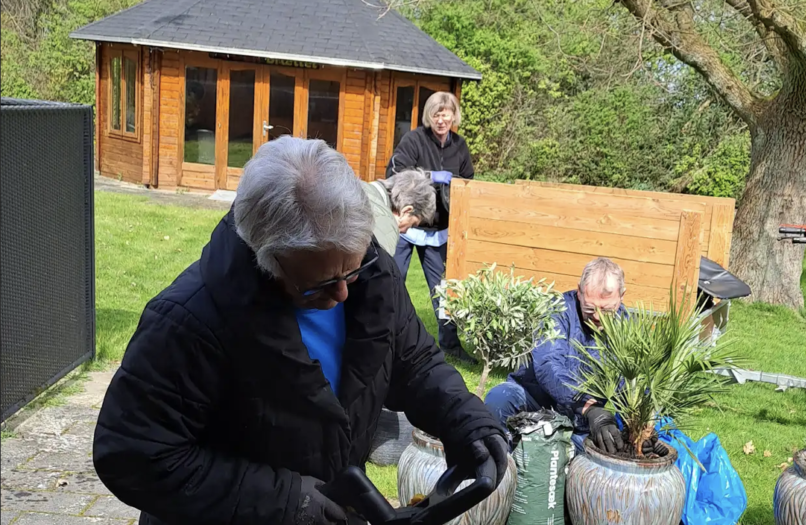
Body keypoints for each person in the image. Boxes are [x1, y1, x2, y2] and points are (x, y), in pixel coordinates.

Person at [92, 137, 509, 525]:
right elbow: (132, 454)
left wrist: (465, 418)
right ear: (266, 258)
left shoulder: (371, 275)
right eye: (320, 285)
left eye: (352, 269)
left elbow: (414, 361)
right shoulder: (189, 322)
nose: (344, 293)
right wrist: (285, 501)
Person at [483, 258, 629, 454]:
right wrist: (588, 407)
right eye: (590, 309)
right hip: (533, 401)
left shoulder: (626, 326)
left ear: (621, 296)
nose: (597, 317)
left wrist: (638, 428)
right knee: (499, 398)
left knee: (606, 456)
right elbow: (548, 365)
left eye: (607, 310)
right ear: (579, 292)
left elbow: (630, 382)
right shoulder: (556, 310)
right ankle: (501, 464)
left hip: (579, 423)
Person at [386, 91, 474, 363]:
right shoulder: (414, 140)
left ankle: (450, 344)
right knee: (391, 280)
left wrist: (453, 180)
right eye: (436, 114)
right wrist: (431, 176)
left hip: (438, 232)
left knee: (443, 290)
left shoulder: (460, 146)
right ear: (429, 116)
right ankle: (385, 336)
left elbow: (469, 181)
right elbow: (395, 172)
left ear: (453, 116)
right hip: (408, 225)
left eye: (446, 113)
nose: (441, 119)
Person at [363, 168, 436, 257]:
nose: (405, 232)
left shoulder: (356, 187)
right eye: (412, 225)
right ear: (406, 211)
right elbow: (378, 269)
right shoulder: (386, 229)